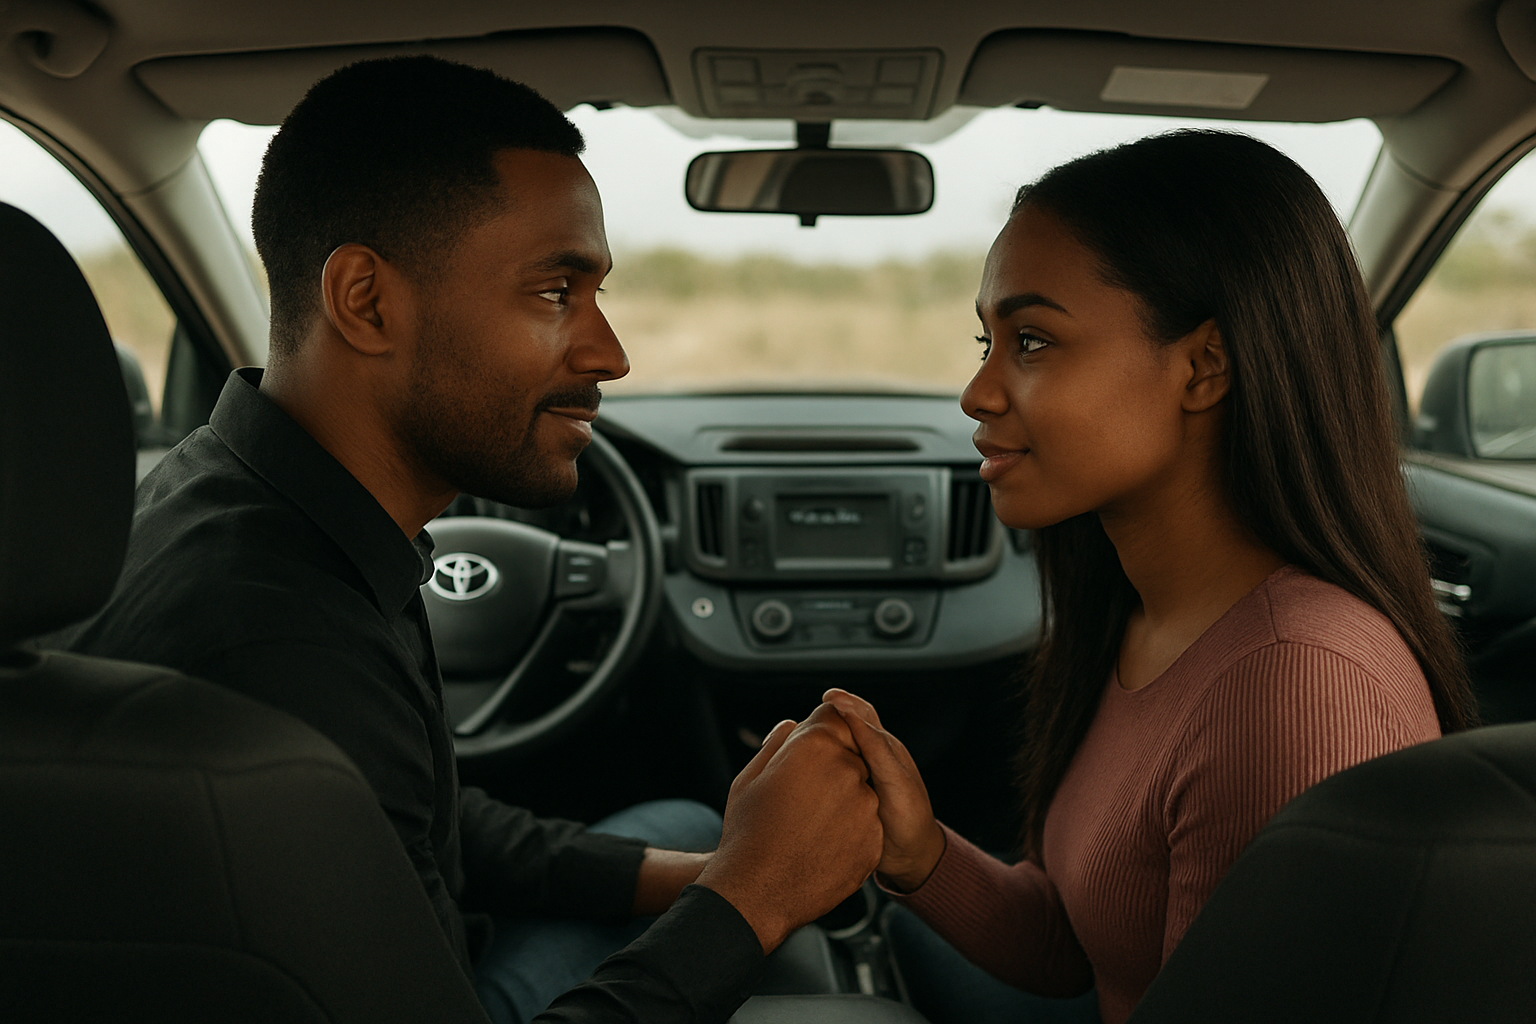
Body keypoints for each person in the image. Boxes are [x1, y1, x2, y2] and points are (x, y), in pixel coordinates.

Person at [62, 56, 881, 1024]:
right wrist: (751, 899)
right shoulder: (281, 644)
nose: (611, 352)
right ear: (367, 301)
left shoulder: (249, 495)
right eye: (553, 293)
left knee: (686, 828)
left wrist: (707, 873)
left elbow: (416, 818)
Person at [817, 130, 1478, 1024]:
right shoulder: (1148, 615)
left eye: (1034, 341)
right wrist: (918, 853)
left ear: (1204, 366)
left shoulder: (1294, 685)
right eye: (989, 339)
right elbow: (1086, 947)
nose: (976, 393)